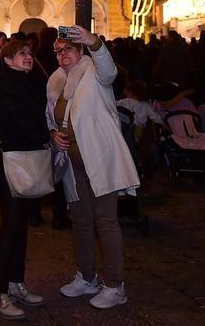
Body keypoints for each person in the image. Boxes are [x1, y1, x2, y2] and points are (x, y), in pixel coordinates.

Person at [50, 25, 139, 311]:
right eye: (57, 51)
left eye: (67, 49)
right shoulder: (56, 83)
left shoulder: (95, 73)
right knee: (81, 220)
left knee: (106, 220)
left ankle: (115, 285)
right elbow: (53, 119)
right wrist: (53, 134)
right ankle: (86, 276)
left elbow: (110, 70)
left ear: (79, 51)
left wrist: (94, 43)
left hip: (99, 159)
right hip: (72, 165)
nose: (62, 55)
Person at [0, 38, 49, 319]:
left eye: (29, 53)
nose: (28, 57)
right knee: (11, 226)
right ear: (7, 59)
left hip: (25, 158)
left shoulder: (25, 81)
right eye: (20, 53)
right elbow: (15, 123)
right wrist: (47, 137)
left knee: (21, 225)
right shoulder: (5, 83)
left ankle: (15, 282)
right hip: (12, 161)